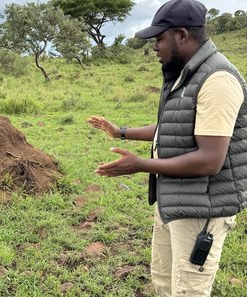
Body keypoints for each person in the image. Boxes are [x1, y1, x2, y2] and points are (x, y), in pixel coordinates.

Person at [88, 0, 247, 296]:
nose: (154, 46)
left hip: (201, 210)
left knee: (187, 290)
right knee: (163, 282)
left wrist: (139, 165)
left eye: (160, 38)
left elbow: (210, 160)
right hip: (173, 200)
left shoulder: (217, 80)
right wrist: (120, 132)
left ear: (183, 35)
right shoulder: (186, 75)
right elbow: (173, 129)